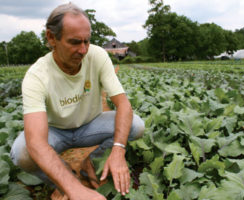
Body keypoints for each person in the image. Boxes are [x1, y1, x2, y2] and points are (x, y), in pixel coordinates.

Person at [10, 3, 144, 200]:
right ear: (51, 38)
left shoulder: (97, 56)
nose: (83, 50)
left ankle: (90, 162)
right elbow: (36, 142)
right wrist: (74, 189)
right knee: (21, 153)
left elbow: (124, 104)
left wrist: (118, 149)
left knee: (136, 126)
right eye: (74, 42)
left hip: (91, 125)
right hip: (56, 132)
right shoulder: (37, 76)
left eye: (86, 41)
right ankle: (63, 177)